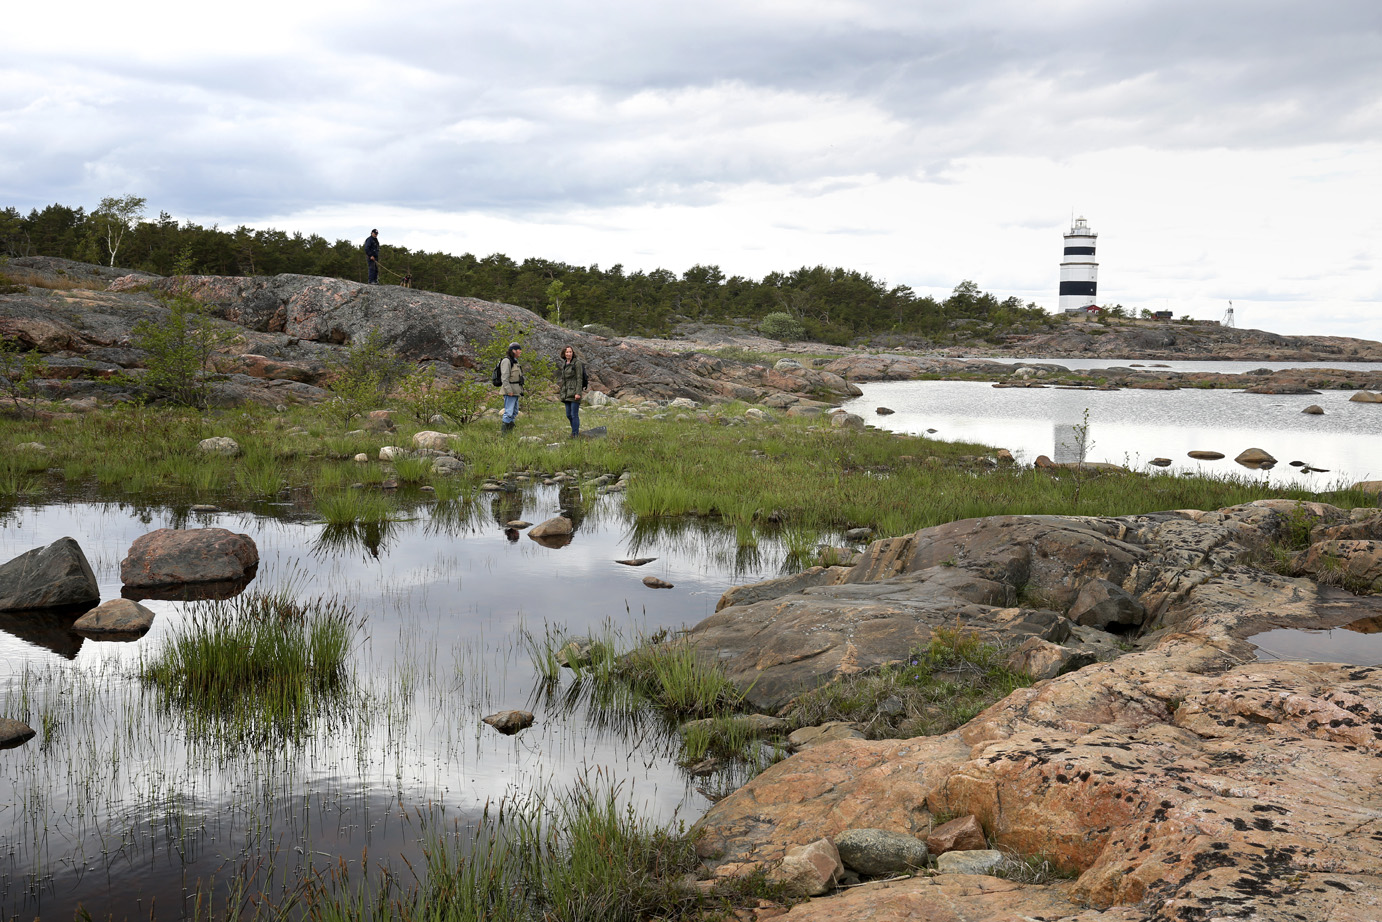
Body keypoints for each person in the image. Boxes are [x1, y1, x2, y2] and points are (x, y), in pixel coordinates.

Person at [557, 345, 586, 436]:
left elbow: (579, 378)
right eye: (567, 352)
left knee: (574, 414)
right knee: (568, 415)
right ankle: (574, 430)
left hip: (574, 392)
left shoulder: (577, 363)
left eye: (570, 352)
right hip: (566, 392)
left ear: (573, 353)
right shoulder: (564, 363)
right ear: (564, 354)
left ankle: (575, 434)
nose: (569, 353)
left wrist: (578, 392)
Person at [499, 343, 523, 433]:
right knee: (508, 412)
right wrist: (509, 390)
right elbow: (504, 378)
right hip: (510, 391)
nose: (520, 351)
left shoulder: (515, 361)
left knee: (514, 412)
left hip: (516, 390)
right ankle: (504, 434)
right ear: (514, 350)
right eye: (519, 349)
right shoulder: (507, 361)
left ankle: (510, 432)